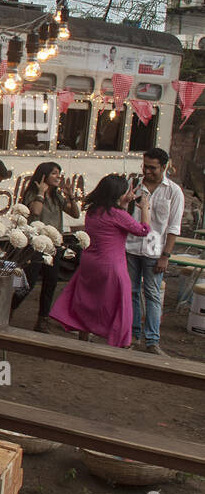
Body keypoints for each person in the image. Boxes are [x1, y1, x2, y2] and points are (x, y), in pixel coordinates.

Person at [50, 175, 150, 347]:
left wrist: (125, 202)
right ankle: (120, 341)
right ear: (117, 194)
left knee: (88, 300)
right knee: (120, 302)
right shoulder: (118, 214)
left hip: (90, 262)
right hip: (112, 265)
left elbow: (115, 223)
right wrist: (145, 208)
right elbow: (143, 230)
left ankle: (83, 335)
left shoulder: (93, 211)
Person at [11, 162, 83, 332]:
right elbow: (35, 211)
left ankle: (42, 319)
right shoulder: (32, 193)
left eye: (59, 173)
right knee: (29, 281)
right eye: (54, 173)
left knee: (50, 282)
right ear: (44, 176)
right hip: (35, 244)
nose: (58, 176)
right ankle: (9, 309)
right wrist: (41, 192)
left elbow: (75, 213)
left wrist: (71, 196)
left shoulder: (57, 197)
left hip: (54, 245)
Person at [125, 148, 184, 355]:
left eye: (152, 168)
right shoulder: (135, 185)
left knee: (152, 294)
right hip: (132, 246)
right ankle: (133, 335)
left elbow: (173, 227)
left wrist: (165, 255)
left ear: (164, 167)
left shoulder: (173, 191)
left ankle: (152, 340)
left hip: (155, 250)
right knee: (131, 292)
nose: (147, 171)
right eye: (145, 166)